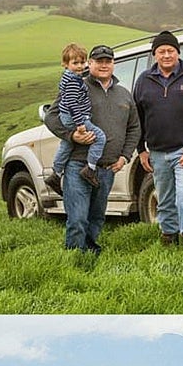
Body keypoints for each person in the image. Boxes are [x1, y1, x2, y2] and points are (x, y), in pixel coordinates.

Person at [132, 29, 183, 248]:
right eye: (161, 51)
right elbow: (137, 119)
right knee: (165, 198)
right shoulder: (143, 80)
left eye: (170, 50)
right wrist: (141, 149)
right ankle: (168, 236)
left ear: (178, 52)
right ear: (155, 54)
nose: (166, 55)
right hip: (157, 153)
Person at [57, 43, 139, 257]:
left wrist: (125, 157)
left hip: (107, 167)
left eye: (108, 61)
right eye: (99, 61)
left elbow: (134, 128)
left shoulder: (124, 94)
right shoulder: (77, 85)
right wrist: (71, 135)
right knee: (78, 217)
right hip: (78, 164)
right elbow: (52, 116)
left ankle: (90, 254)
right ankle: (74, 258)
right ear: (89, 64)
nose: (104, 65)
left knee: (96, 216)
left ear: (113, 64)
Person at [48, 42, 106, 190]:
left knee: (67, 144)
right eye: (75, 63)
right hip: (76, 118)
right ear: (65, 64)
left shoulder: (70, 78)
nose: (80, 66)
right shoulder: (73, 81)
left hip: (68, 117)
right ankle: (90, 169)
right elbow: (72, 104)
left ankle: (56, 173)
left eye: (82, 62)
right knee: (100, 137)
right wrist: (80, 124)